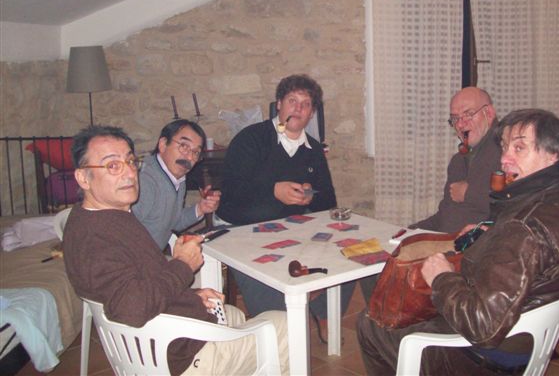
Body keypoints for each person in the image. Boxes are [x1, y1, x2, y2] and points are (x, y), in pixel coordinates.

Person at [357, 109, 559, 375]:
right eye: (504, 147)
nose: (505, 158)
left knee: (370, 325)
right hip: (528, 333)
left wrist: (442, 278)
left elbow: (482, 327)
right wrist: (492, 231)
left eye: (519, 147)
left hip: (486, 355)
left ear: (552, 155)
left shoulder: (523, 230)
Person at [63, 126, 289, 375]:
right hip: (176, 356)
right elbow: (131, 307)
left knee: (232, 314)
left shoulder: (106, 216)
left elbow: (139, 277)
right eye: (113, 165)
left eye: (130, 161)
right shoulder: (97, 238)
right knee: (287, 327)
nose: (129, 173)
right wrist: (183, 266)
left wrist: (189, 295)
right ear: (83, 178)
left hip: (166, 333)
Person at [217, 74, 354, 341]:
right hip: (241, 227)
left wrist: (310, 195)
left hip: (290, 227)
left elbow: (327, 201)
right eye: (292, 101)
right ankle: (282, 324)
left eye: (306, 104)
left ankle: (324, 314)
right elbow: (231, 195)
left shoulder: (313, 149)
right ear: (279, 104)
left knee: (347, 253)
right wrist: (273, 191)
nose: (298, 109)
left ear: (311, 113)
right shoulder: (251, 139)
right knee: (271, 296)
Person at [410, 87, 501, 233]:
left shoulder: (507, 153)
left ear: (489, 113)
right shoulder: (458, 161)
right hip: (446, 241)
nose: (460, 124)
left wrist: (468, 193)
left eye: (468, 114)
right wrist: (409, 232)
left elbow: (515, 206)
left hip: (480, 244)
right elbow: (444, 216)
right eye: (455, 118)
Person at [132, 119, 220, 250]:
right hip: (135, 259)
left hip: (152, 257)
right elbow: (121, 233)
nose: (189, 157)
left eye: (196, 152)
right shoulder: (144, 181)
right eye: (184, 146)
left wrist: (201, 208)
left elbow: (170, 223)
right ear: (163, 144)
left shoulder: (177, 177)